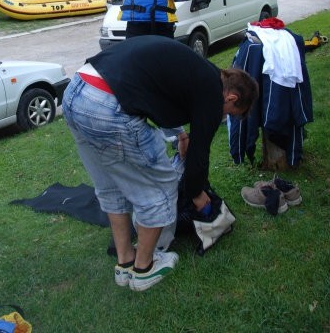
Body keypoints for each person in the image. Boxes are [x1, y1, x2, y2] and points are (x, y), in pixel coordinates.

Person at [62, 35, 258, 292]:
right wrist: (197, 193)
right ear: (232, 98)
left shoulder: (200, 71)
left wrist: (180, 134)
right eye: (232, 114)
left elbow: (158, 92)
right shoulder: (213, 93)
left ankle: (125, 263)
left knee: (111, 187)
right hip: (106, 104)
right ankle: (144, 269)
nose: (225, 117)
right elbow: (199, 155)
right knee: (161, 186)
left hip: (76, 93)